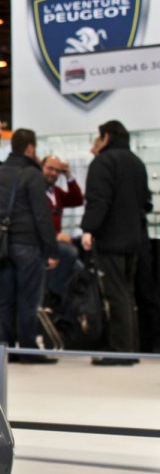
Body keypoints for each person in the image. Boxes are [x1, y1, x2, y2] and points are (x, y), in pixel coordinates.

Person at [80, 120, 152, 364]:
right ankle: (130, 349)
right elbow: (146, 202)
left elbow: (98, 200)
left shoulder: (103, 162)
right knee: (128, 295)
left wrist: (88, 229)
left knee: (116, 295)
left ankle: (120, 351)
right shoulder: (137, 162)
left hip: (111, 239)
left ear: (106, 137)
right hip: (135, 239)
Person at [0, 128, 59, 361]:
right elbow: (42, 215)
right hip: (29, 244)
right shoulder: (32, 174)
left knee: (6, 299)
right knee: (28, 299)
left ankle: (6, 349)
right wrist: (51, 248)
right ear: (30, 148)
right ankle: (29, 349)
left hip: (2, 243)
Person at [41, 155, 84, 304]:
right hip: (44, 242)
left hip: (55, 244)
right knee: (70, 253)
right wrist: (56, 236)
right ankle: (52, 296)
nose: (53, 173)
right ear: (41, 167)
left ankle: (64, 312)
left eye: (57, 170)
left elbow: (77, 199)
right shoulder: (37, 192)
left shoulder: (56, 192)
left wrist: (69, 176)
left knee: (79, 270)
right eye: (50, 168)